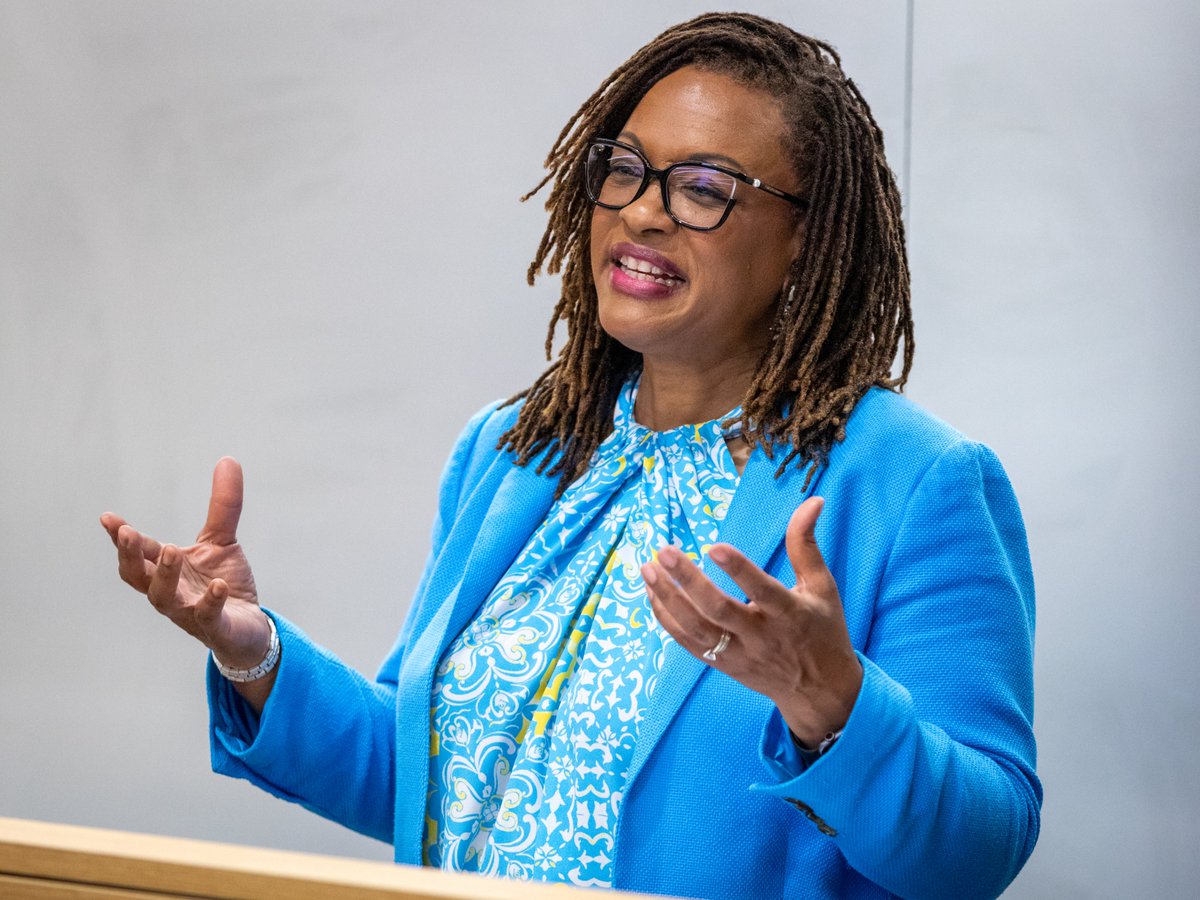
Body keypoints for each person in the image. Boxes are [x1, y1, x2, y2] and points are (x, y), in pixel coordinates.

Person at [100, 13, 1040, 900]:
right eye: (624, 170)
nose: (642, 213)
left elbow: (980, 849)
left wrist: (834, 707)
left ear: (805, 239)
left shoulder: (913, 485)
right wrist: (253, 652)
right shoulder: (515, 452)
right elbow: (429, 777)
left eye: (705, 189)